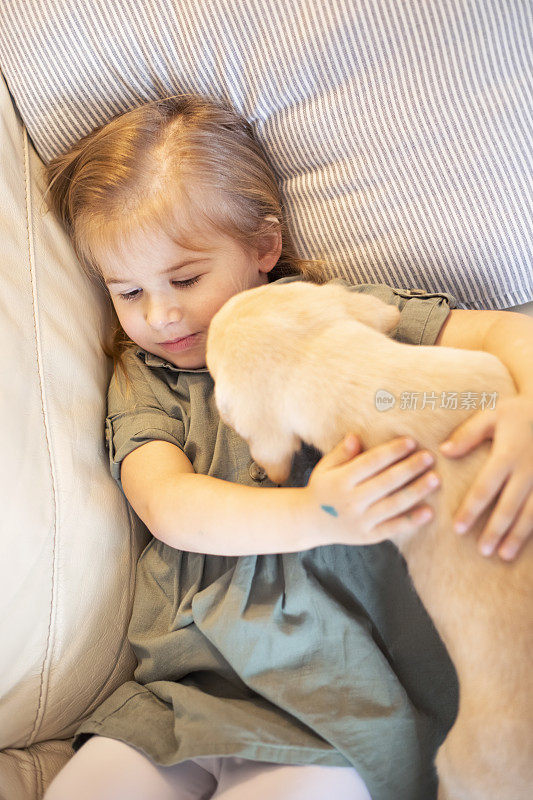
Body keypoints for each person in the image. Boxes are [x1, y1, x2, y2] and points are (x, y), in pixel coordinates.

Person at [43, 95, 533, 800]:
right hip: (183, 688)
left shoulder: (326, 316)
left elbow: (502, 335)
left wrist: (523, 409)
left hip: (335, 708)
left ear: (263, 248)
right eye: (127, 292)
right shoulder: (146, 378)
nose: (160, 314)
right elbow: (167, 504)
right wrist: (321, 511)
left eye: (184, 278)